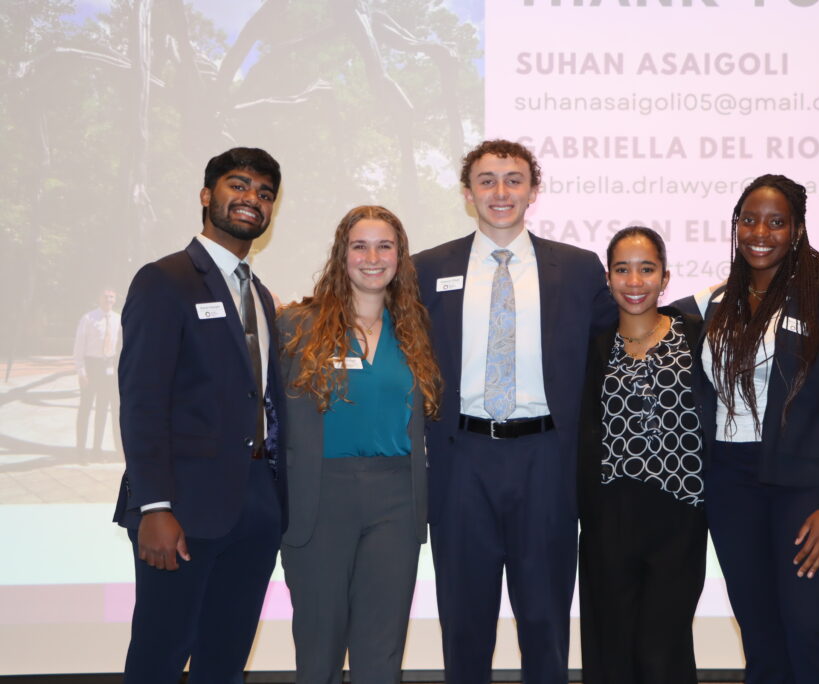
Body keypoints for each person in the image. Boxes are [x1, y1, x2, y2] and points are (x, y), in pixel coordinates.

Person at [414, 139, 616, 684]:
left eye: (513, 179)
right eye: (487, 180)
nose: (500, 192)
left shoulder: (576, 269)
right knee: (463, 624)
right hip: (461, 461)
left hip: (546, 459)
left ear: (533, 190)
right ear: (467, 192)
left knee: (545, 623)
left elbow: (618, 341)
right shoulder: (426, 269)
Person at [679, 174, 819, 684]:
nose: (759, 232)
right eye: (748, 219)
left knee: (810, 628)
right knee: (761, 634)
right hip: (729, 485)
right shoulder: (714, 304)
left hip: (807, 492)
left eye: (775, 221)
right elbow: (645, 316)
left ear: (798, 229)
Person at [113, 147, 288, 684]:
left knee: (225, 660)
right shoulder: (165, 279)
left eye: (263, 193)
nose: (250, 200)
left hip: (257, 504)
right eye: (238, 185)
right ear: (207, 195)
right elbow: (142, 402)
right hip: (181, 510)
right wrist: (155, 506)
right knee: (160, 657)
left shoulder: (257, 293)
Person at [277, 205, 440, 683]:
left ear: (400, 257)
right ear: (340, 255)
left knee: (381, 651)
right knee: (319, 647)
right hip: (320, 497)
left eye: (385, 245)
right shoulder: (295, 325)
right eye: (360, 245)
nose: (373, 257)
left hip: (396, 501)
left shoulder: (418, 330)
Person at [578, 226, 707, 684]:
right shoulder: (590, 345)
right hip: (609, 515)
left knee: (663, 648)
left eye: (646, 269)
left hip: (680, 514)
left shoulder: (697, 336)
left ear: (665, 277)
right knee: (611, 646)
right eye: (623, 269)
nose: (635, 281)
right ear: (608, 279)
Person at [72, 288, 122, 454]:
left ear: (115, 300)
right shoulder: (88, 318)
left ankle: (96, 450)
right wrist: (81, 372)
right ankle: (81, 450)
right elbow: (79, 346)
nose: (109, 299)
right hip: (91, 367)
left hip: (108, 369)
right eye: (106, 296)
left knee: (102, 410)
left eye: (111, 296)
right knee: (85, 409)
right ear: (99, 298)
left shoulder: (117, 319)